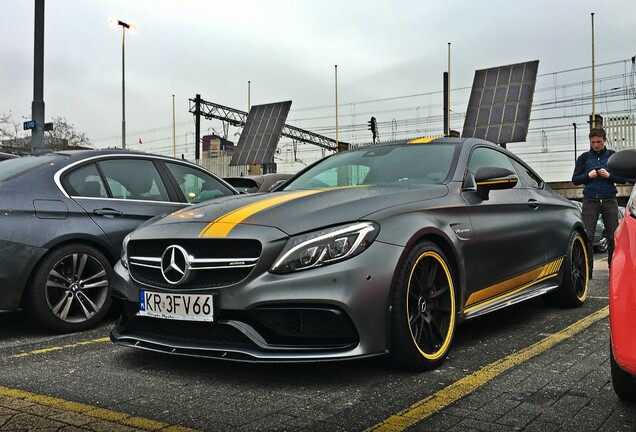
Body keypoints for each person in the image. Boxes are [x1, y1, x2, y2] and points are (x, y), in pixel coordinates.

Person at [572, 127, 626, 277]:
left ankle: (614, 271)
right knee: (587, 237)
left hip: (609, 200)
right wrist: (588, 176)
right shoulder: (583, 158)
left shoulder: (613, 157)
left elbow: (623, 179)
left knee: (612, 237)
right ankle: (587, 272)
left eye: (599, 142)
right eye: (593, 142)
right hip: (590, 200)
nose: (596, 145)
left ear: (605, 140)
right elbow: (575, 180)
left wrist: (609, 175)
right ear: (590, 141)